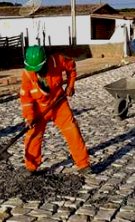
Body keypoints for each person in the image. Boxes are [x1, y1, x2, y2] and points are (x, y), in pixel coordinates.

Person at [19, 46, 91, 175]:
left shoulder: (58, 60)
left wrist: (70, 85)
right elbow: (26, 98)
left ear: (46, 61)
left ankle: (83, 164)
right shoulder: (27, 74)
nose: (36, 71)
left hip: (59, 103)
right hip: (39, 108)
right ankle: (31, 166)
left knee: (72, 131)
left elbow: (71, 67)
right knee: (33, 135)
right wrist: (29, 117)